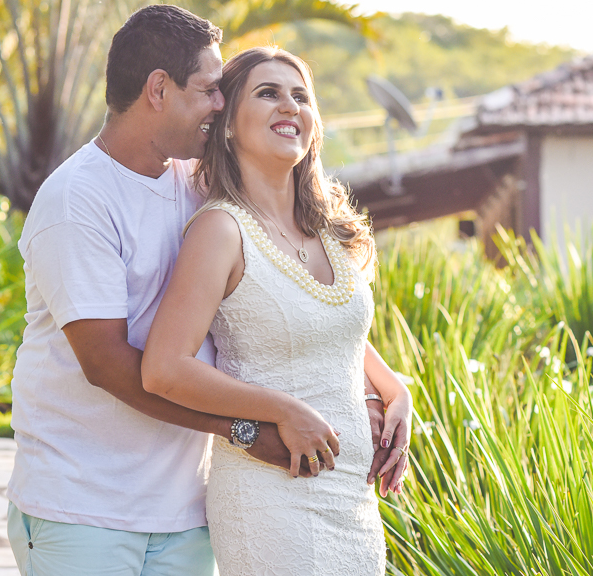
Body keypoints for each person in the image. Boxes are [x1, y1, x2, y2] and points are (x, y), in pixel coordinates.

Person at [6, 6, 403, 576]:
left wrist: (381, 391)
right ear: (158, 90)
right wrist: (249, 430)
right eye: (211, 91)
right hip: (84, 503)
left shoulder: (195, 182)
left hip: (184, 511)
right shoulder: (77, 201)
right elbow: (109, 364)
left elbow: (290, 305)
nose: (220, 105)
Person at [141, 47, 414, 576]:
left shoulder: (333, 233)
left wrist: (395, 389)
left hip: (353, 501)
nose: (289, 105)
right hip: (272, 496)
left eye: (301, 96)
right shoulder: (221, 231)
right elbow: (164, 368)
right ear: (226, 127)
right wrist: (282, 410)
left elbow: (332, 332)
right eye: (268, 93)